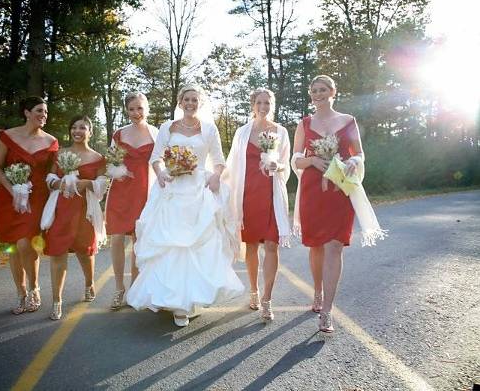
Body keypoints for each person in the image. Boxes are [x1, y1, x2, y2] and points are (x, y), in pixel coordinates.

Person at [126, 85, 244, 327]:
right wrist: (160, 174)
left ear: (200, 103)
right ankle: (174, 301)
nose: (190, 103)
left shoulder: (209, 129)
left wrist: (214, 177)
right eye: (186, 99)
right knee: (172, 245)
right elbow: (155, 158)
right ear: (180, 103)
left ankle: (190, 300)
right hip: (172, 189)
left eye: (194, 100)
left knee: (197, 245)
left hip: (198, 191)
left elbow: (219, 162)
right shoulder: (168, 128)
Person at [292, 75, 385, 333]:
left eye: (323, 90)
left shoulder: (348, 121)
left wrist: (355, 162)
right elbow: (296, 159)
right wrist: (311, 161)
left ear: (333, 92)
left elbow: (360, 153)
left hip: (339, 190)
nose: (318, 94)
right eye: (314, 91)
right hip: (312, 190)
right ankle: (318, 291)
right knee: (316, 247)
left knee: (334, 245)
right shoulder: (304, 123)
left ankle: (327, 310)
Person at [223, 88, 291, 321]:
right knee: (251, 246)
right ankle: (254, 291)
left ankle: (267, 300)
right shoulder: (242, 133)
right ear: (252, 105)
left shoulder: (280, 131)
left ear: (272, 104)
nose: (263, 106)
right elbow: (232, 165)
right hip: (247, 196)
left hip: (271, 195)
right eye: (259, 102)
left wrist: (278, 167)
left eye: (267, 102)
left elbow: (286, 164)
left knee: (272, 246)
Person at [0, 96, 59, 314]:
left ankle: (34, 288)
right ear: (27, 113)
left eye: (46, 112)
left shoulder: (51, 142)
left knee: (25, 244)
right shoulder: (7, 136)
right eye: (39, 111)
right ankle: (21, 293)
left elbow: (52, 173)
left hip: (37, 198)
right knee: (13, 247)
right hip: (10, 197)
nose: (43, 115)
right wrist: (13, 190)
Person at [43, 116, 106, 320]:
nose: (77, 130)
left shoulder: (98, 158)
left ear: (90, 132)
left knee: (85, 252)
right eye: (74, 127)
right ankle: (56, 301)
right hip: (61, 208)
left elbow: (103, 185)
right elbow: (50, 178)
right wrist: (57, 183)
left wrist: (88, 182)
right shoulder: (60, 154)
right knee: (57, 253)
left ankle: (89, 283)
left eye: (83, 127)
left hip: (84, 210)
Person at [105, 92, 158, 310]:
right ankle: (119, 288)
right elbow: (111, 160)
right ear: (127, 111)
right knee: (117, 238)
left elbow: (161, 161)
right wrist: (120, 171)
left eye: (140, 108)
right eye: (131, 109)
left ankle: (135, 289)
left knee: (139, 240)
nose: (136, 113)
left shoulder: (157, 133)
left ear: (147, 108)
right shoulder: (119, 133)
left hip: (144, 191)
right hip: (120, 191)